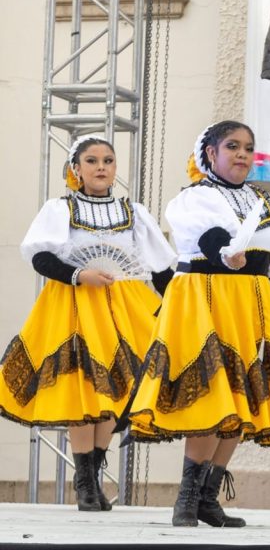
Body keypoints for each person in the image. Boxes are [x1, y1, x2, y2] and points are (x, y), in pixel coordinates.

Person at [128, 121, 270, 527]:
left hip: (252, 304)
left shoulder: (268, 205)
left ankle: (206, 500)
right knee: (215, 395)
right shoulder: (195, 198)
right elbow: (209, 237)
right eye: (232, 146)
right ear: (211, 154)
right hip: (206, 301)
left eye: (249, 147)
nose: (243, 154)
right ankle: (187, 498)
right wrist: (225, 254)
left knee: (242, 398)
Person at [0, 135, 175, 511]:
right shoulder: (59, 208)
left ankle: (93, 473)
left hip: (125, 303)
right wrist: (80, 274)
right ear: (75, 169)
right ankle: (84, 482)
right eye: (92, 160)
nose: (101, 167)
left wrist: (176, 308)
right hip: (75, 302)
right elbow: (41, 258)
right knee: (84, 387)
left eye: (108, 160)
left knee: (118, 390)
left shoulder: (134, 212)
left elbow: (161, 269)